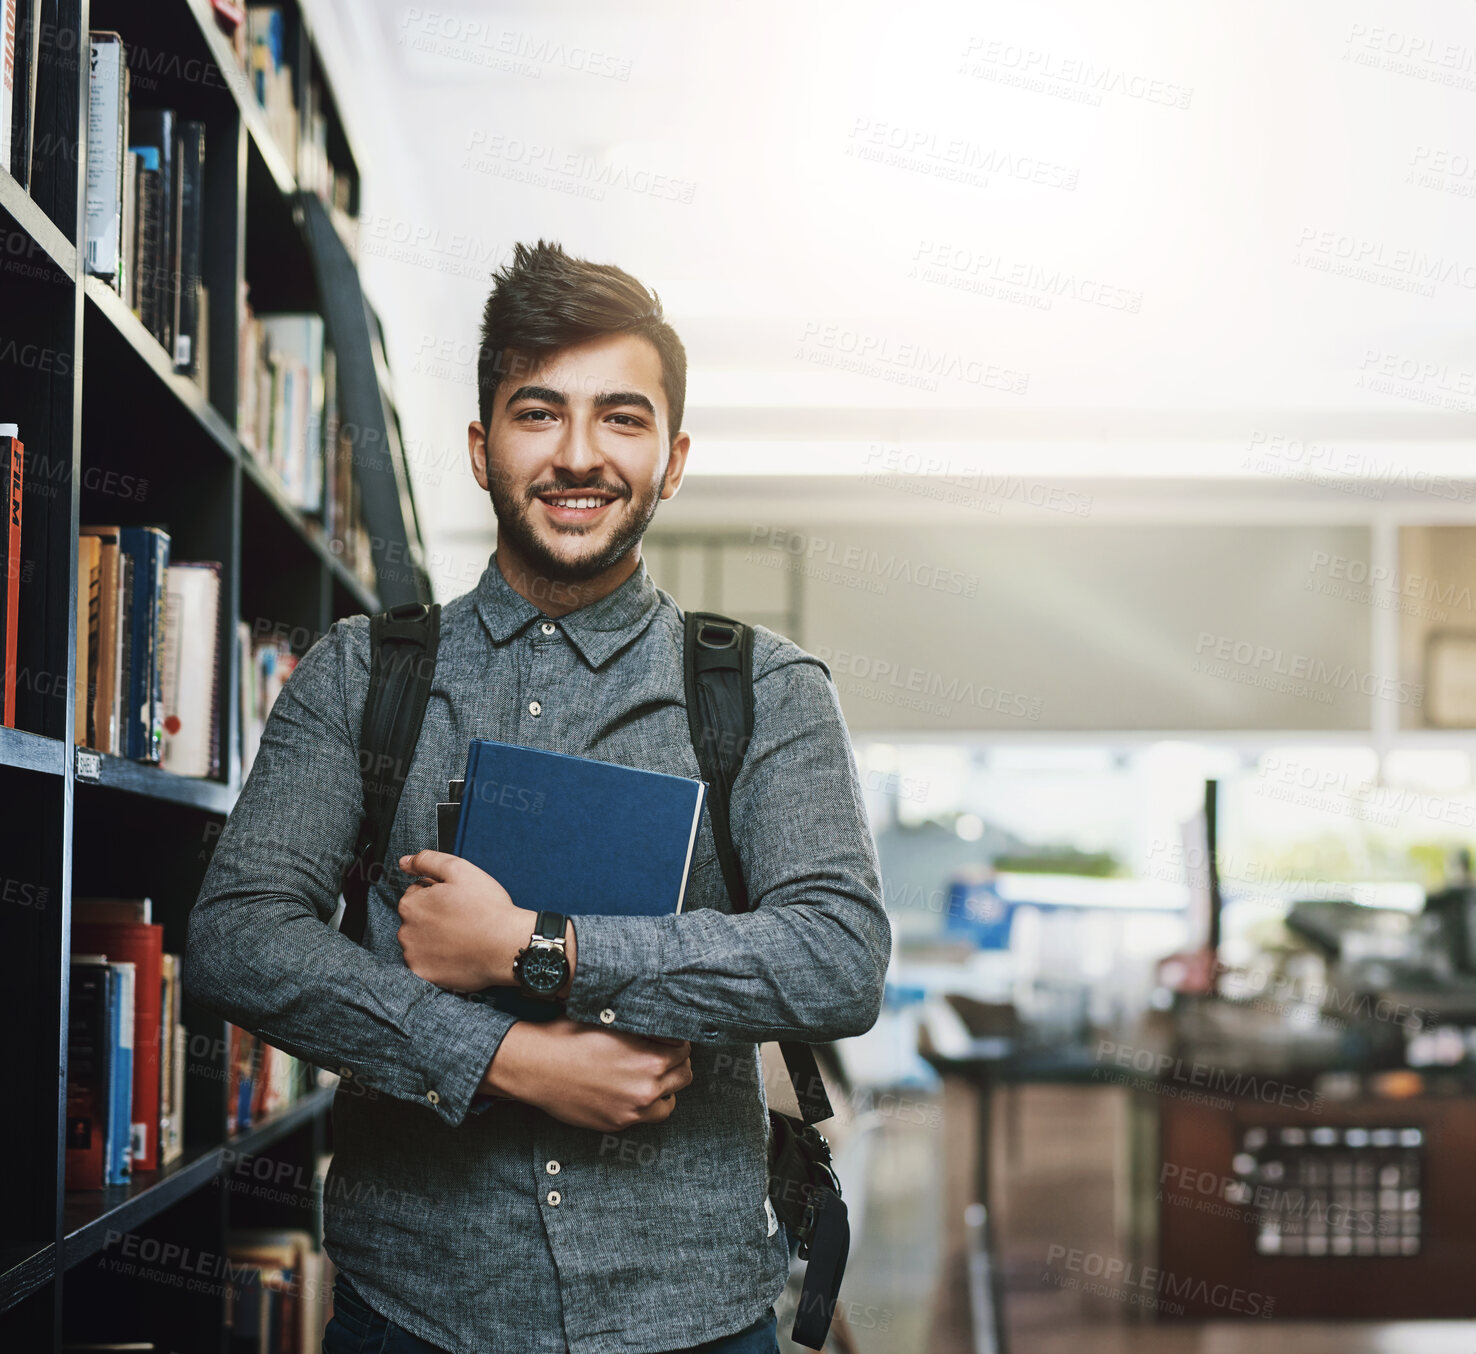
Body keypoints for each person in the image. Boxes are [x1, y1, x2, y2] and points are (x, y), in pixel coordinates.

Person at [184, 240, 891, 1354]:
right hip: (412, 1309)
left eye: (621, 417)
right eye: (537, 412)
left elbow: (838, 957)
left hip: (692, 1318)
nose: (578, 455)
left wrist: (537, 949)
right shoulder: (361, 672)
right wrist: (512, 1060)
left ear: (674, 456)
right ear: (481, 446)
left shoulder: (765, 691)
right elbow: (235, 938)